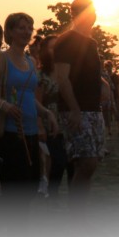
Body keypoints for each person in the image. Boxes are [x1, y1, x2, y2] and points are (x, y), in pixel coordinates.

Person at [0, 12, 47, 237]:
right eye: (21, 27)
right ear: (9, 32)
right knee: (13, 192)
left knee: (29, 189)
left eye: (29, 27)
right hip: (10, 135)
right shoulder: (0, 60)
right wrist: (4, 106)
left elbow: (29, 97)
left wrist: (46, 112)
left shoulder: (31, 61)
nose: (27, 32)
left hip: (30, 135)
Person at [54, 0, 104, 217]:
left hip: (94, 110)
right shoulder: (66, 41)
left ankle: (80, 218)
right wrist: (74, 109)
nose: (89, 15)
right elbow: (62, 79)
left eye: (91, 10)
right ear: (74, 15)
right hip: (76, 111)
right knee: (86, 162)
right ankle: (75, 220)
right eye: (84, 11)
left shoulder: (92, 43)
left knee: (90, 166)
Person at [34, 35, 66, 201]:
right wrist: (40, 126)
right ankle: (51, 193)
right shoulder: (40, 75)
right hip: (49, 122)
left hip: (66, 121)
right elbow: (37, 101)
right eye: (52, 47)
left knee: (67, 161)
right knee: (57, 160)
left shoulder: (66, 71)